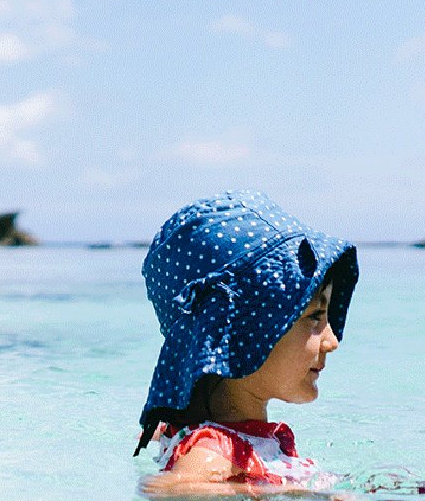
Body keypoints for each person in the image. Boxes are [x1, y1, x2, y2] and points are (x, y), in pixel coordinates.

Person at [133, 190, 358, 495]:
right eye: (315, 316)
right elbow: (165, 489)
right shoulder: (214, 452)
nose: (332, 341)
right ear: (246, 332)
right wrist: (280, 493)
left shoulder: (231, 443)